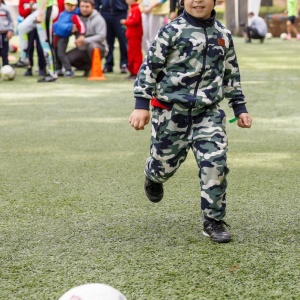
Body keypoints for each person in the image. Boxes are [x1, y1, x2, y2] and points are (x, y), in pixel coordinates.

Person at [129, 0, 252, 243]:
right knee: (165, 165)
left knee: (215, 163)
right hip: (171, 113)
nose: (197, 1)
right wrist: (141, 105)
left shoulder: (223, 35)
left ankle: (213, 220)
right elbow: (149, 68)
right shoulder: (171, 31)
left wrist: (239, 107)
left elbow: (231, 74)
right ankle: (153, 175)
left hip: (208, 113)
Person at [17, 0, 59, 82]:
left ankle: (52, 74)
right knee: (21, 28)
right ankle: (24, 59)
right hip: (43, 9)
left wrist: (41, 13)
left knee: (46, 43)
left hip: (47, 9)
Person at [66, 0, 108, 76]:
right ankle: (87, 67)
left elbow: (101, 36)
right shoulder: (76, 18)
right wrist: (71, 30)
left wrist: (85, 40)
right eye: (82, 6)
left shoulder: (98, 19)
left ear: (93, 7)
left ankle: (95, 69)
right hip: (82, 48)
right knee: (67, 58)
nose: (84, 9)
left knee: (93, 47)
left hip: (99, 47)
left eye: (87, 7)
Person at [53, 0, 85, 77]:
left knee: (61, 53)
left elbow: (80, 25)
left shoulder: (74, 15)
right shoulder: (62, 14)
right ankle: (58, 68)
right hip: (57, 35)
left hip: (64, 36)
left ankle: (69, 70)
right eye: (68, 5)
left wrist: (81, 35)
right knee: (56, 52)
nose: (69, 7)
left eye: (72, 5)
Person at [18, 0, 46, 76]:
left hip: (39, 26)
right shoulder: (22, 1)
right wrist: (30, 8)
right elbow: (22, 13)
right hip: (28, 28)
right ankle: (29, 68)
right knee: (29, 48)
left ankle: (42, 68)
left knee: (40, 48)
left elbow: (43, 9)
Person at [100, 0, 128, 73]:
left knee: (123, 40)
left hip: (120, 13)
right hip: (105, 13)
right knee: (108, 40)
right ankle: (108, 64)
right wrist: (97, 9)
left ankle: (124, 64)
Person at [120, 0, 143, 80]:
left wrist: (125, 22)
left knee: (135, 54)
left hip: (135, 35)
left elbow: (135, 21)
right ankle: (132, 72)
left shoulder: (136, 9)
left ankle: (136, 72)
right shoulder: (132, 9)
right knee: (131, 54)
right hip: (131, 35)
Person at [0, 0, 14, 67]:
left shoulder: (5, 8)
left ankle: (6, 67)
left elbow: (11, 21)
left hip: (4, 34)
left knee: (4, 52)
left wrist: (10, 30)